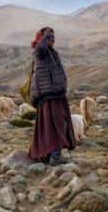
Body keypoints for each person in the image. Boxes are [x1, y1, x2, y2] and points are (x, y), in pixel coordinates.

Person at [28, 27, 76, 164]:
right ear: (42, 39)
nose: (52, 40)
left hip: (57, 94)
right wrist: (45, 35)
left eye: (53, 38)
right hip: (49, 96)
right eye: (50, 38)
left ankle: (48, 154)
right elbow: (40, 46)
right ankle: (55, 156)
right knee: (55, 125)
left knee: (56, 124)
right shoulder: (40, 52)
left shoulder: (51, 52)